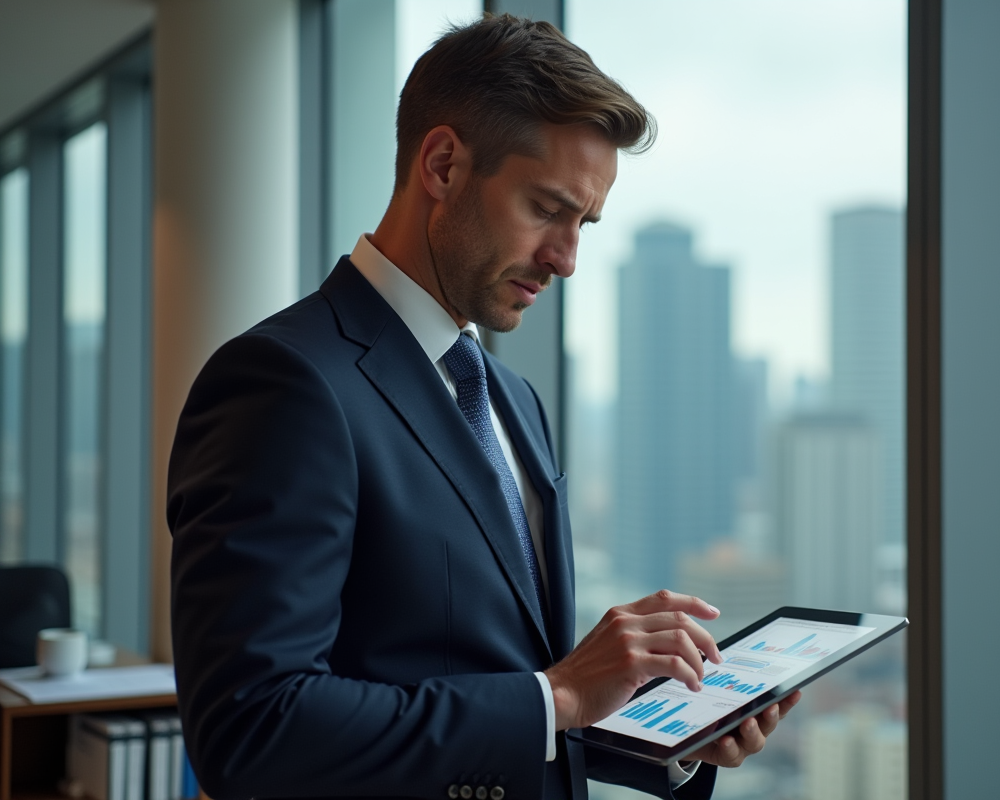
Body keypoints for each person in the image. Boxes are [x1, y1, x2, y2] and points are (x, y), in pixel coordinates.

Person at [168, 14, 800, 800]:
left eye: (584, 224)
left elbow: (508, 699)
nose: (567, 258)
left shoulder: (513, 400)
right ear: (442, 164)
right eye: (547, 208)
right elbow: (253, 728)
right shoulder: (284, 383)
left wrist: (672, 734)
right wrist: (561, 693)